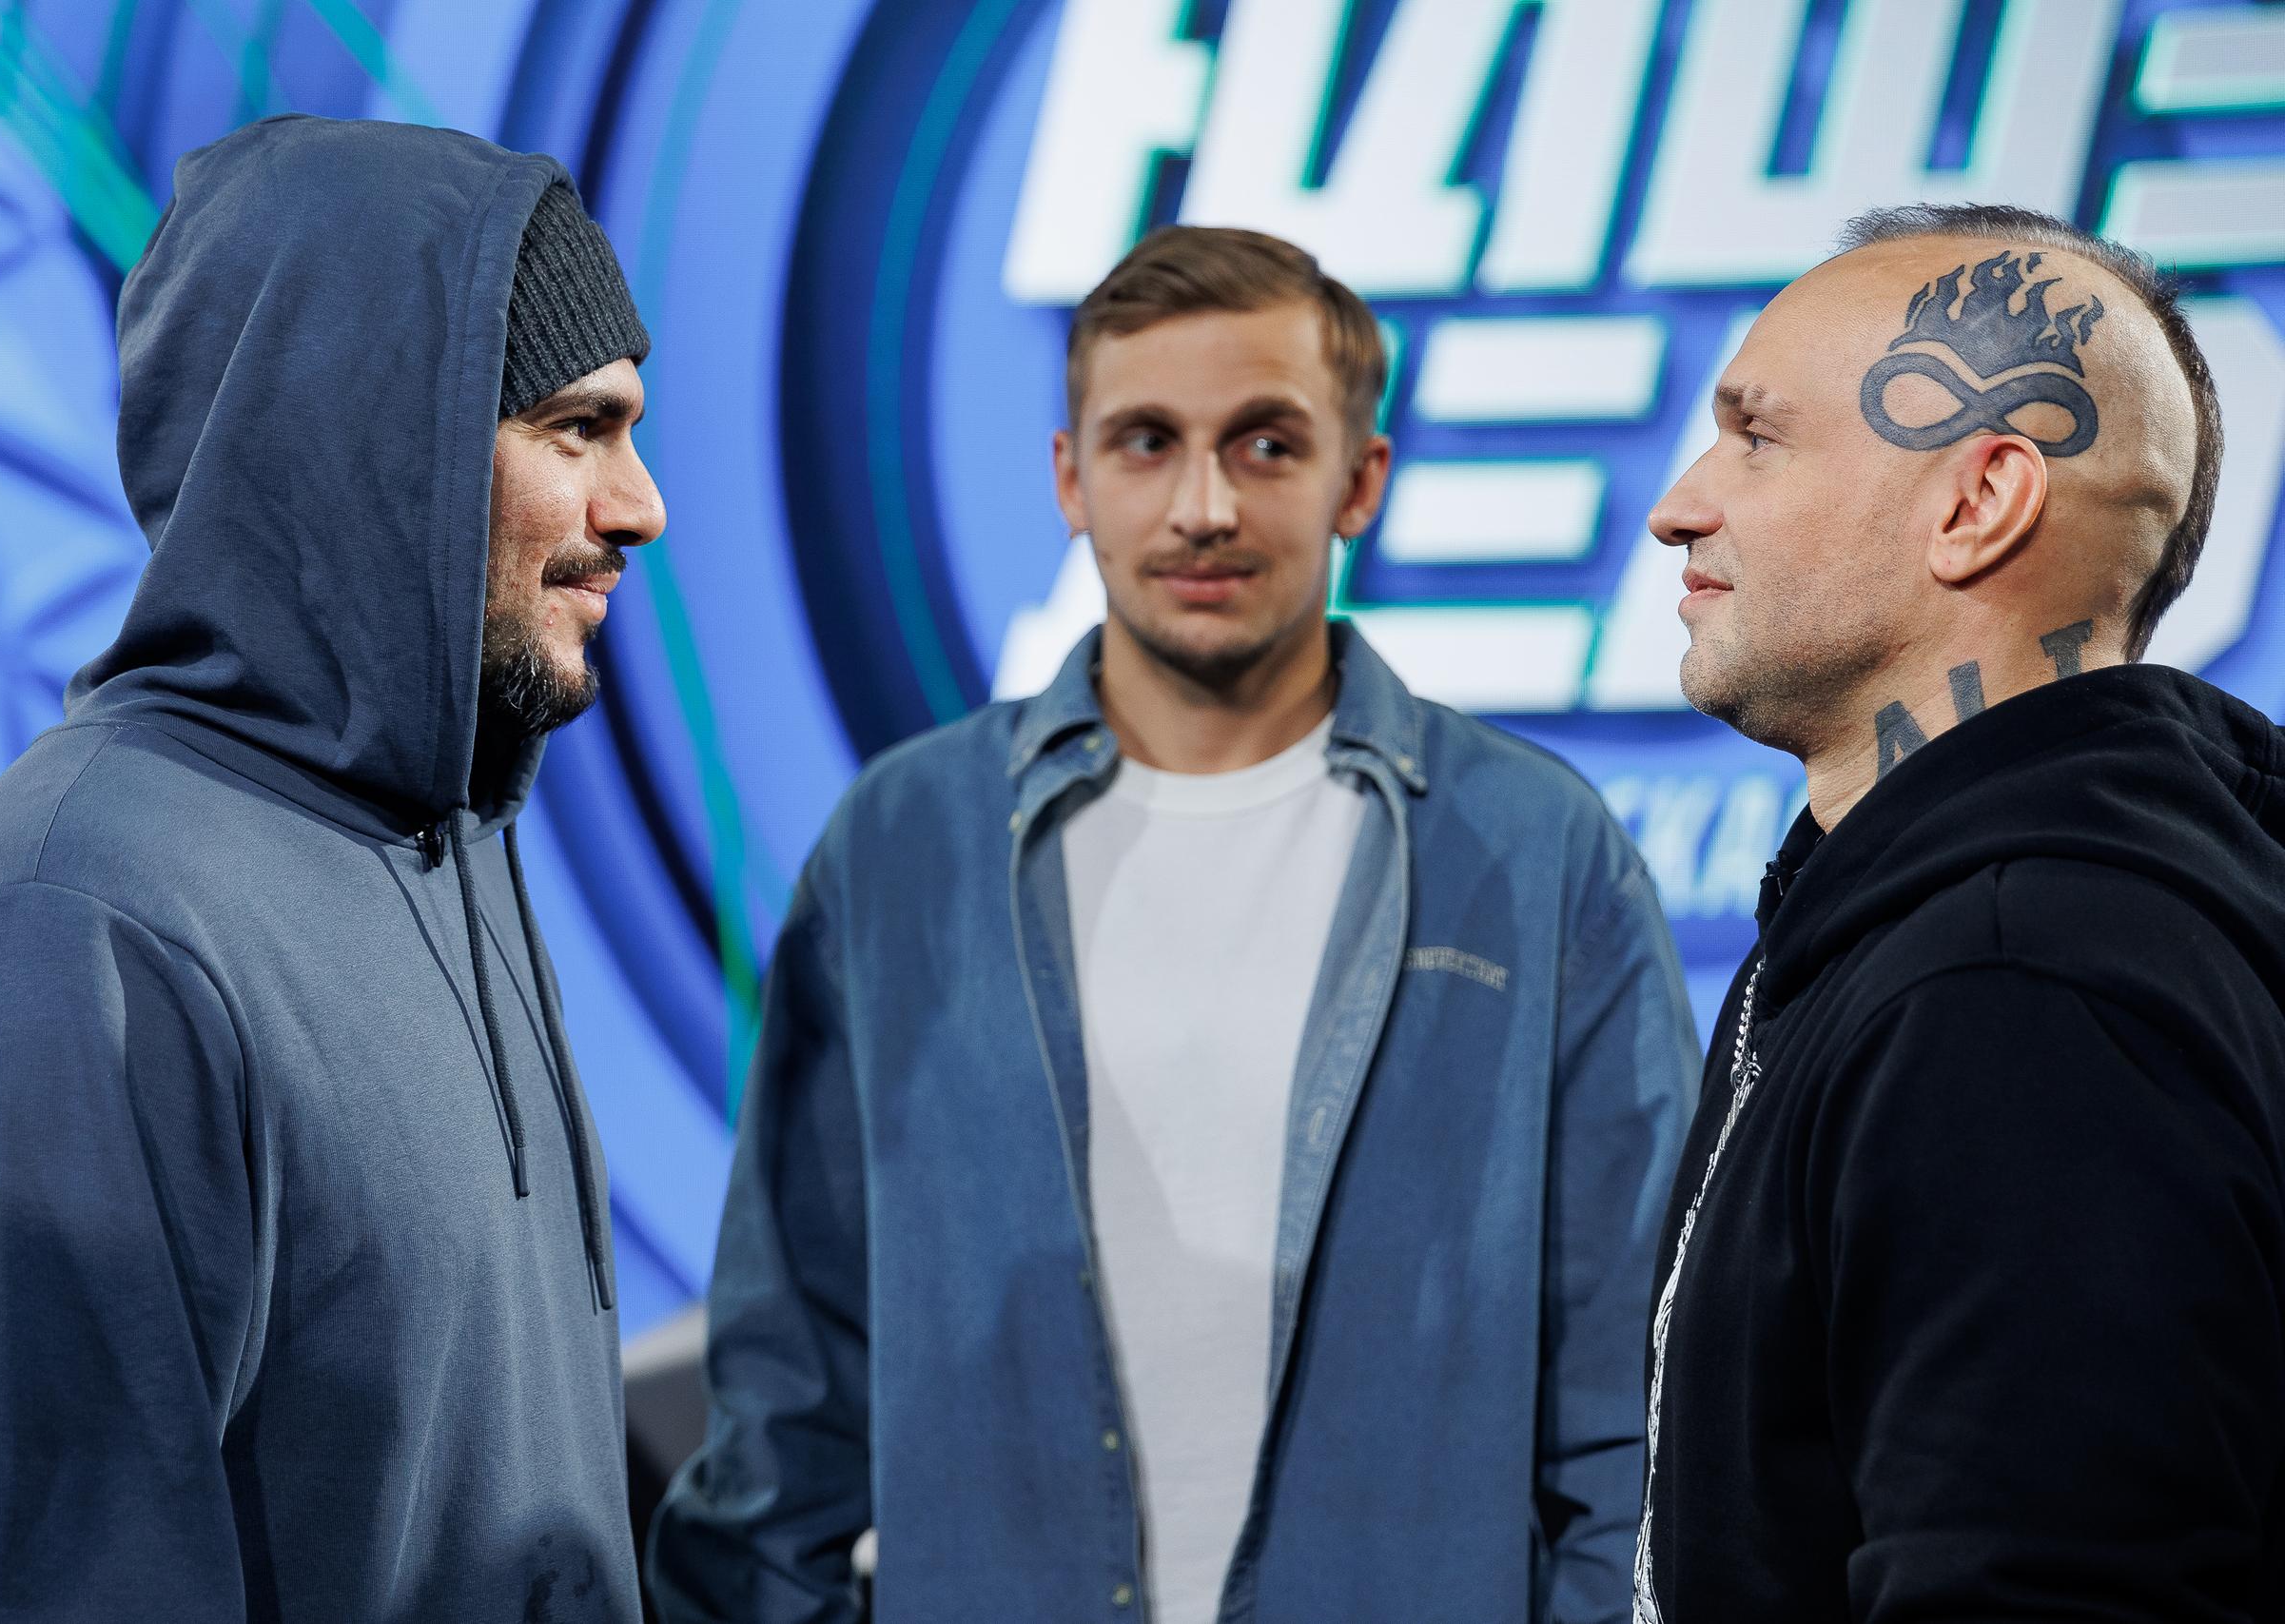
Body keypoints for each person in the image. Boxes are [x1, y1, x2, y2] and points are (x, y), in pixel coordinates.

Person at [651, 225, 1699, 1624]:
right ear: (1069, 478)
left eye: (1266, 444)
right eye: (1147, 443)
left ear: (1361, 479)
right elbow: (787, 1397)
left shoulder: (1536, 848)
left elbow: (1643, 1405)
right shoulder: (902, 843)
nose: (1203, 507)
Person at [0, 115, 665, 1621]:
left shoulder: (447, 845)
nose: (642, 507)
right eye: (576, 429)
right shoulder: (58, 937)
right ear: (373, 442)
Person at [1634, 202, 2284, 1622]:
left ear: (1980, 500)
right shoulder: (1912, 924)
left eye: (1758, 438)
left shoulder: (2015, 987)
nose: (1680, 503)